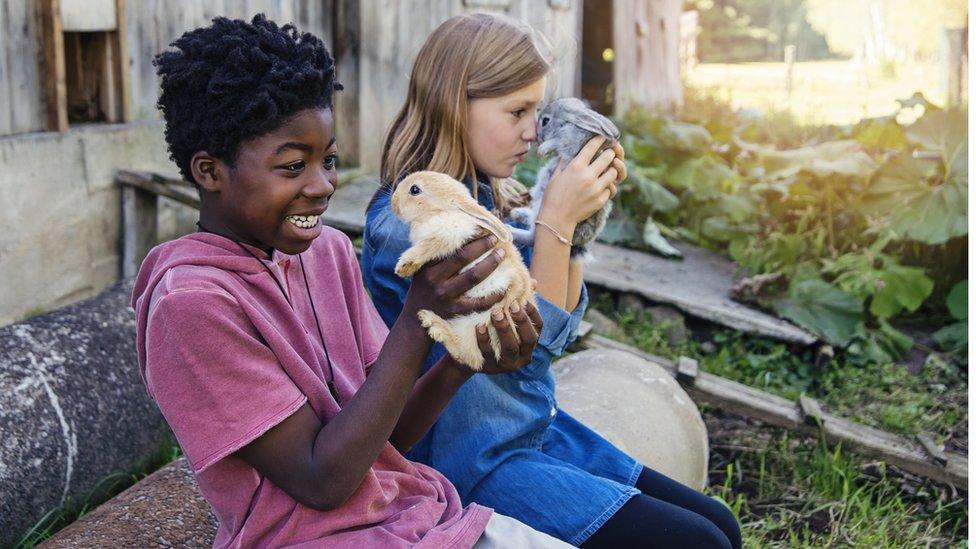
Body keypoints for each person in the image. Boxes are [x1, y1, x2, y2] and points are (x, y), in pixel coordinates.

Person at [132, 14, 573, 548]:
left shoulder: (329, 253)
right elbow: (323, 481)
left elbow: (389, 440)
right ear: (209, 172)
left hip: (417, 516)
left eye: (329, 159)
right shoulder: (192, 306)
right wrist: (416, 319)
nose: (322, 186)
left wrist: (463, 364)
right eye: (293, 166)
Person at [361, 13, 742, 548]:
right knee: (699, 543)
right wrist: (555, 222)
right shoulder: (421, 225)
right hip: (471, 462)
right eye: (516, 110)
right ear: (453, 104)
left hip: (530, 430)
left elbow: (555, 337)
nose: (532, 130)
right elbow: (525, 350)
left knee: (720, 524)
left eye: (537, 109)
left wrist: (578, 228)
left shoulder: (485, 197)